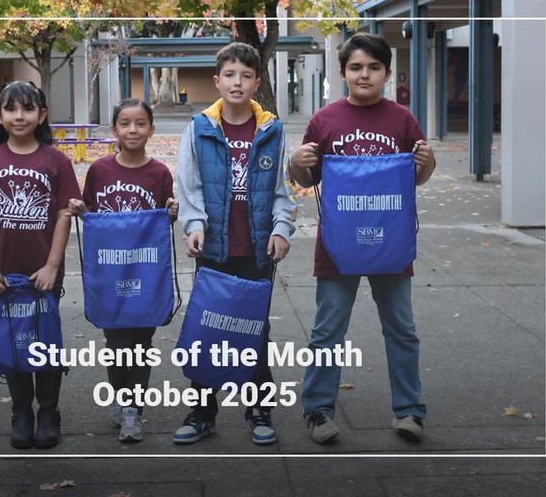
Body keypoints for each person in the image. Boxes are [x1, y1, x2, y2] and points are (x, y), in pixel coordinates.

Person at [289, 33, 436, 444]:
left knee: (402, 328)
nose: (364, 74)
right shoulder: (325, 120)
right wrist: (296, 163)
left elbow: (416, 178)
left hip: (391, 242)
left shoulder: (402, 119)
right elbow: (306, 178)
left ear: (387, 73)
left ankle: (409, 410)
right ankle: (318, 409)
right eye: (356, 67)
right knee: (327, 330)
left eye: (373, 67)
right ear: (342, 74)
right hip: (339, 244)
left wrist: (428, 164)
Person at [175, 42, 296, 446]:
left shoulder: (272, 130)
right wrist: (193, 225)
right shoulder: (199, 128)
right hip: (213, 250)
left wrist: (281, 229)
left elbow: (282, 189)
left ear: (257, 82)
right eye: (229, 75)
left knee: (254, 333)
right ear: (217, 81)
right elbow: (188, 186)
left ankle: (259, 410)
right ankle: (201, 412)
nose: (237, 82)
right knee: (206, 331)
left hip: (257, 250)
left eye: (246, 75)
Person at [0, 80, 81, 449]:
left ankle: (48, 411)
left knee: (44, 343)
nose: (19, 116)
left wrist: (52, 266)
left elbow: (64, 215)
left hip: (42, 273)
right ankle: (21, 412)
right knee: (15, 342)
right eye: (11, 109)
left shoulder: (55, 160)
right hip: (6, 274)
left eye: (27, 108)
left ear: (41, 114)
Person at [68, 99, 178, 443]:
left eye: (141, 123)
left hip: (145, 274)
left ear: (151, 129)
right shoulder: (100, 171)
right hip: (110, 273)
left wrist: (171, 212)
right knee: (116, 343)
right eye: (126, 124)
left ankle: (133, 410)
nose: (133, 130)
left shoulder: (159, 173)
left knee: (142, 343)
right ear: (114, 129)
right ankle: (121, 395)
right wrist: (80, 209)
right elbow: (93, 218)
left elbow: (163, 218)